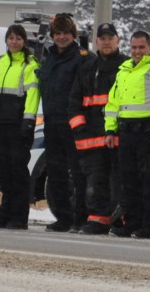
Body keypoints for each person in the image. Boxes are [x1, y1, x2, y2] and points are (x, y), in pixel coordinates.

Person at [104, 30, 150, 239]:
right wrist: (109, 129)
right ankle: (130, 224)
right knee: (128, 181)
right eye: (134, 47)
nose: (137, 51)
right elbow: (113, 103)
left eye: (142, 47)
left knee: (148, 183)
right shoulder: (123, 71)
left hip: (148, 134)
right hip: (126, 133)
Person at [66, 23, 129, 235]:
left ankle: (122, 220)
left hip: (119, 137)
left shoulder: (128, 67)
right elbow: (74, 103)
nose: (106, 41)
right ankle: (98, 220)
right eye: (102, 38)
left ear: (118, 40)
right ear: (96, 41)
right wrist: (80, 129)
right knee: (96, 181)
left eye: (110, 37)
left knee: (120, 181)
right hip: (91, 139)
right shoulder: (87, 69)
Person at [37, 13, 95, 232]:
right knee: (56, 173)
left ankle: (81, 218)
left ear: (73, 34)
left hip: (75, 124)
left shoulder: (84, 58)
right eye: (58, 33)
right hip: (52, 123)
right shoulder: (49, 57)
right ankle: (63, 218)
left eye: (66, 33)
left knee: (78, 174)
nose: (62, 37)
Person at [0, 24, 40, 230]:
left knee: (18, 172)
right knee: (4, 172)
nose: (14, 42)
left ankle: (19, 216)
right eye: (11, 38)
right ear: (6, 41)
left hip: (18, 125)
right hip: (0, 124)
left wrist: (28, 120)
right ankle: (4, 213)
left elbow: (33, 94)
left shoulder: (30, 65)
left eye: (18, 38)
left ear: (24, 41)